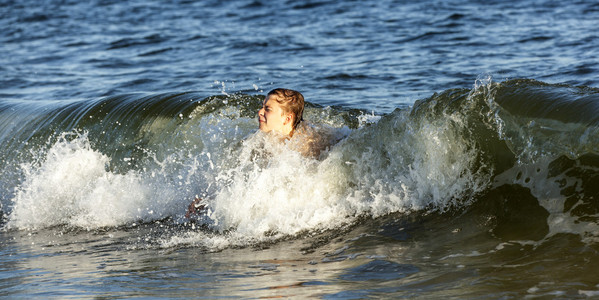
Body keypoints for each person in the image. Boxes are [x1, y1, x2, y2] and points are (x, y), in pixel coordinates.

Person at [186, 88, 308, 218]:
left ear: (287, 118)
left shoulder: (304, 144)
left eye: (268, 109)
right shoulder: (258, 141)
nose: (260, 112)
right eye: (262, 107)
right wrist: (207, 201)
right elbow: (236, 178)